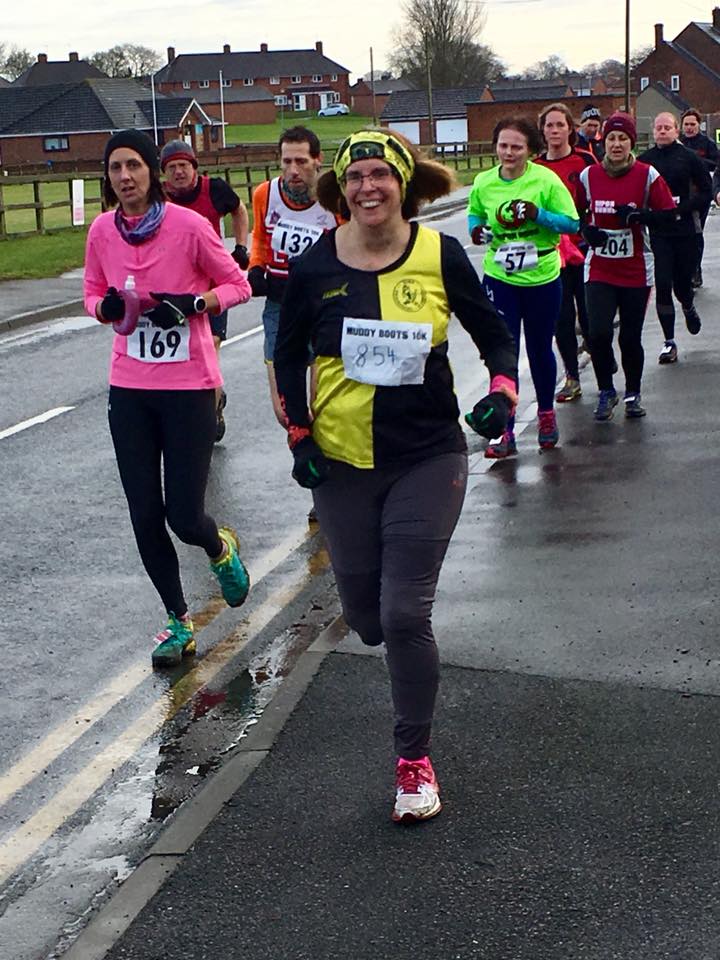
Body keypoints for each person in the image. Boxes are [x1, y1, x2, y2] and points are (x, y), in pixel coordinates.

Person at [273, 129, 518, 823]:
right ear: (341, 189)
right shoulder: (316, 266)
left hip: (427, 456)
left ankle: (414, 763)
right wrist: (299, 432)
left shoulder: (439, 255)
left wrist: (503, 391)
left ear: (403, 184)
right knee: (367, 619)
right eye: (355, 178)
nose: (367, 188)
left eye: (380, 174)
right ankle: (384, 636)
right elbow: (287, 355)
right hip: (342, 463)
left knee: (406, 613)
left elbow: (494, 334)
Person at [83, 129, 252, 668]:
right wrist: (106, 309)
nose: (125, 176)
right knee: (143, 513)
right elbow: (91, 292)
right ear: (107, 177)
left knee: (183, 515)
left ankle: (219, 547)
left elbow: (239, 285)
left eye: (133, 165)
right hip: (130, 390)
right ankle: (178, 621)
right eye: (115, 168)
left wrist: (195, 303)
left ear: (152, 172)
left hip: (188, 390)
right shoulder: (102, 231)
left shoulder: (190, 227)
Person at [467, 116, 580, 458]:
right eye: (503, 146)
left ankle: (546, 414)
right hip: (500, 275)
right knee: (504, 352)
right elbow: (475, 214)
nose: (509, 152)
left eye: (516, 147)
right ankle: (504, 428)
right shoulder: (484, 181)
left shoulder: (545, 180)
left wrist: (538, 214)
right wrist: (477, 231)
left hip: (541, 275)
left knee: (539, 347)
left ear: (530, 149)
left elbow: (571, 222)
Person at [576, 113, 676, 421]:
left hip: (636, 269)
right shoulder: (589, 176)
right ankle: (606, 390)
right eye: (611, 139)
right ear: (603, 142)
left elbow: (669, 214)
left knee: (630, 337)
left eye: (622, 139)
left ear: (631, 142)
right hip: (600, 268)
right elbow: (576, 214)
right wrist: (586, 231)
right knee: (598, 333)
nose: (616, 144)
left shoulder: (647, 175)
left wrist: (640, 217)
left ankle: (633, 393)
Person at [248, 126, 340, 425]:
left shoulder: (334, 198)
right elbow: (260, 238)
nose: (293, 170)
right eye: (287, 161)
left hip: (323, 306)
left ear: (317, 160)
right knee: (285, 410)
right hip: (280, 305)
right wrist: (256, 267)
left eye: (301, 161)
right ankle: (302, 445)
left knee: (320, 405)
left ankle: (322, 451)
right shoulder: (265, 194)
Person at [160, 139, 250, 442]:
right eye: (172, 168)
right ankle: (204, 402)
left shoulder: (215, 189)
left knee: (209, 349)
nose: (178, 173)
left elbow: (239, 210)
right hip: (175, 290)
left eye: (183, 166)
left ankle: (209, 416)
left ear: (195, 167)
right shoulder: (158, 198)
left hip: (212, 288)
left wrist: (241, 246)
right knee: (180, 358)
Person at [535, 102, 596, 402]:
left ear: (570, 129)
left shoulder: (584, 160)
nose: (555, 130)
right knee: (562, 318)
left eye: (560, 124)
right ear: (542, 130)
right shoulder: (535, 167)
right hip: (552, 252)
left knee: (589, 314)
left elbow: (598, 196)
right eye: (550, 125)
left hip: (583, 249)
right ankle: (572, 376)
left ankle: (601, 358)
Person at [638, 112, 710, 364]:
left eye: (667, 127)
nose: (662, 131)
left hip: (685, 230)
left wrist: (681, 209)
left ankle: (688, 305)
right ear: (653, 131)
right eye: (658, 128)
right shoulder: (645, 161)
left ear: (676, 131)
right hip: (660, 233)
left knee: (681, 284)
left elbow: (706, 192)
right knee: (662, 283)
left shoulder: (689, 158)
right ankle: (669, 341)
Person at [679, 109, 718, 288]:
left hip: (701, 195)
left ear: (699, 125)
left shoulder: (707, 144)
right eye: (686, 124)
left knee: (696, 232)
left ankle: (695, 269)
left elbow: (716, 165)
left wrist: (697, 162)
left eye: (692, 124)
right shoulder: (678, 143)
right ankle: (684, 269)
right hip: (681, 194)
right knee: (683, 233)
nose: (689, 128)